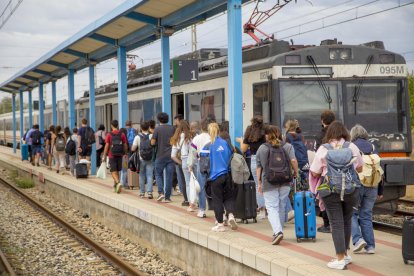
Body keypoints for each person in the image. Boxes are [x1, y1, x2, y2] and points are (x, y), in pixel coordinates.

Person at [310, 121, 363, 270]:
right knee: (346, 221)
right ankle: (345, 255)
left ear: (329, 134)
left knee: (336, 223)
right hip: (350, 190)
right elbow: (359, 168)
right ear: (345, 133)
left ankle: (339, 259)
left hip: (330, 189)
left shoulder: (323, 148)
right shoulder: (351, 146)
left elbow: (315, 171)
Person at [256, 125, 298, 245]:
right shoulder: (288, 146)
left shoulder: (262, 148)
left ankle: (278, 231)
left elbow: (259, 167)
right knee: (281, 204)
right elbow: (293, 161)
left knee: (271, 207)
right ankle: (278, 230)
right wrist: (296, 172)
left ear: (266, 135)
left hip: (269, 181)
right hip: (285, 180)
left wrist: (259, 182)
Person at [350, 124, 383, 254]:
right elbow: (380, 170)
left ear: (352, 135)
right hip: (373, 185)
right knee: (366, 215)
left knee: (352, 213)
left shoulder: (352, 147)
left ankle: (358, 239)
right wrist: (380, 191)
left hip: (358, 185)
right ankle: (370, 246)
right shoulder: (373, 146)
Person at [207, 123, 238, 232]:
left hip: (216, 176)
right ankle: (231, 216)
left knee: (217, 200)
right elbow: (231, 154)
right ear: (219, 131)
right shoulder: (225, 143)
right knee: (229, 197)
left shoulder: (210, 145)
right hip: (227, 174)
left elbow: (205, 159)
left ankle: (220, 223)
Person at [237, 115, 267, 220]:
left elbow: (243, 149)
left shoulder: (249, 130)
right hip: (268, 159)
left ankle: (262, 210)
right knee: (268, 184)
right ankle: (271, 208)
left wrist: (241, 141)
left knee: (258, 185)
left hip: (255, 159)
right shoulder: (266, 130)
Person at [314, 110, 336, 233]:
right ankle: (336, 223)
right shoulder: (340, 133)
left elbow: (318, 155)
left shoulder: (320, 135)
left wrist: (315, 172)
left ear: (322, 121)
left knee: (324, 197)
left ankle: (327, 224)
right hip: (340, 170)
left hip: (326, 171)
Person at [188, 117, 214, 218]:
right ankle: (217, 210)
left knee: (201, 188)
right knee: (215, 187)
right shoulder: (213, 137)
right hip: (213, 164)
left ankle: (202, 210)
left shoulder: (196, 138)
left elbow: (192, 153)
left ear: (201, 127)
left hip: (201, 164)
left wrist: (190, 166)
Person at [151, 112, 175, 202]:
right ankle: (168, 197)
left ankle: (161, 193)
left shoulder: (157, 129)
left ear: (159, 119)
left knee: (158, 174)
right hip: (171, 156)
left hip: (160, 156)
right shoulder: (172, 128)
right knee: (169, 176)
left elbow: (152, 142)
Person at [102, 120, 128, 193]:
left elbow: (106, 146)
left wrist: (104, 155)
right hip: (120, 155)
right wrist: (125, 153)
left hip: (112, 155)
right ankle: (116, 187)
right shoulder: (122, 134)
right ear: (117, 125)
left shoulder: (109, 134)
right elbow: (125, 145)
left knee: (113, 171)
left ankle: (118, 182)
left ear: (111, 126)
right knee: (117, 171)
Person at [171, 120, 192, 206]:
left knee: (186, 182)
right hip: (192, 160)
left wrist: (181, 162)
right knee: (194, 181)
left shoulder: (177, 138)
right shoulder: (191, 137)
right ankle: (197, 200)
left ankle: (189, 201)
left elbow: (173, 156)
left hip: (183, 161)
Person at [131, 121, 154, 199]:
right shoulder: (151, 136)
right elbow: (154, 145)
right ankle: (150, 192)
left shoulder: (137, 137)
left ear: (141, 128)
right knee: (150, 175)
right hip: (150, 158)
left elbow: (133, 149)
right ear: (148, 128)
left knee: (141, 175)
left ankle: (142, 193)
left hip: (141, 159)